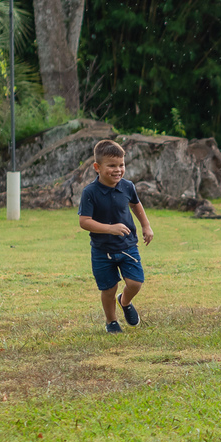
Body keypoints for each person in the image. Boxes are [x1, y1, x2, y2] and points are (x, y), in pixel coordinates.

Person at [78, 139, 154, 334]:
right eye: (111, 165)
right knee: (108, 288)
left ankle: (125, 301)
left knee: (135, 283)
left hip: (127, 245)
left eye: (121, 165)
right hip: (102, 250)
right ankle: (111, 321)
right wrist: (109, 228)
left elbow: (136, 204)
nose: (118, 170)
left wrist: (146, 226)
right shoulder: (90, 192)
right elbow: (84, 221)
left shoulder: (127, 186)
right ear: (97, 167)